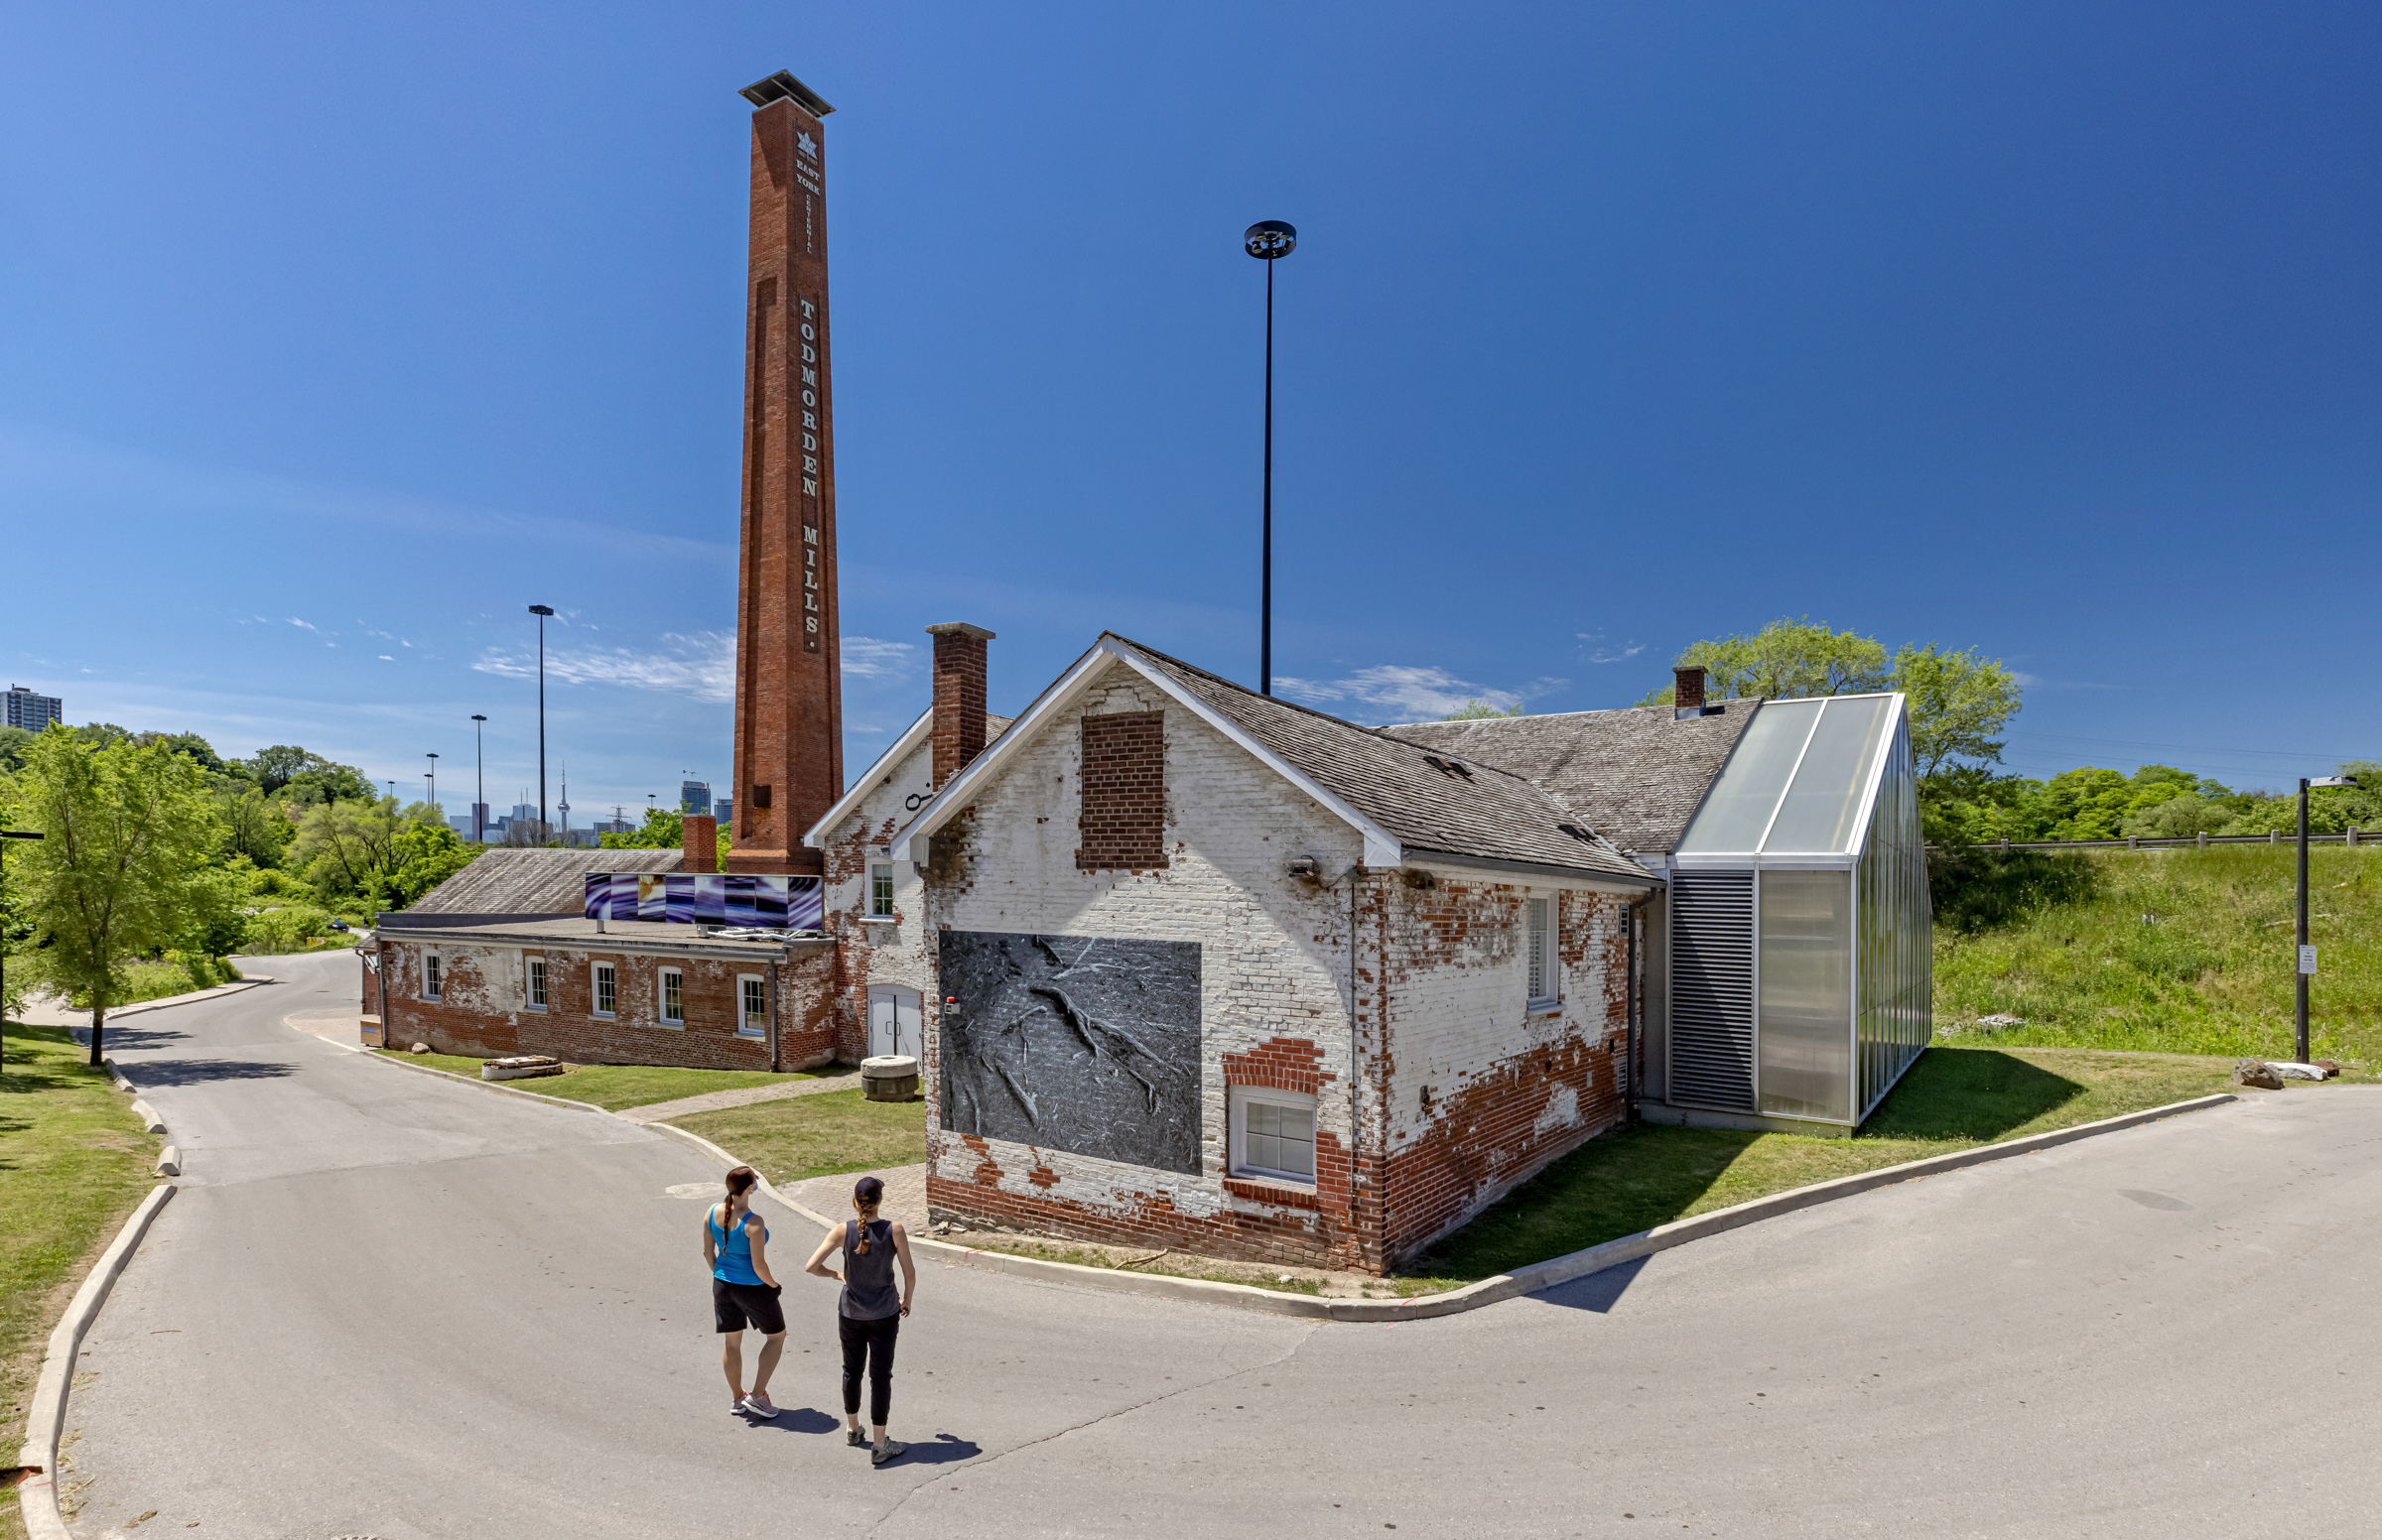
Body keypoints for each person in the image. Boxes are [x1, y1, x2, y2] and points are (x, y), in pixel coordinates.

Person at [805, 1175, 917, 1465]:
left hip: (850, 1313)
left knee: (850, 1371)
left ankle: (853, 1429)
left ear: (855, 1202)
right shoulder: (895, 1230)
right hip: (884, 1313)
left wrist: (836, 1275)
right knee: (880, 1376)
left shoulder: (843, 1230)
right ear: (880, 1200)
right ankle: (880, 1445)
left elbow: (811, 1266)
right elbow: (910, 1273)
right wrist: (907, 1300)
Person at [704, 1164, 784, 1419]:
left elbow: (708, 1252)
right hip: (753, 1289)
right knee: (776, 1337)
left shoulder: (712, 1211)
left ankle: (738, 1399)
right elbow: (759, 1266)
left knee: (732, 1343)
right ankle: (759, 1396)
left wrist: (721, 1275)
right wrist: (773, 1285)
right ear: (750, 1188)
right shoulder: (754, 1223)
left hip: (722, 1286)